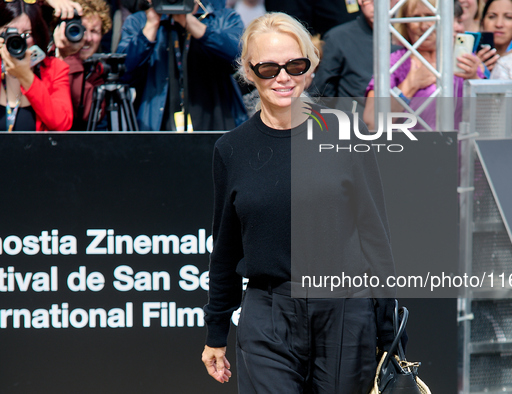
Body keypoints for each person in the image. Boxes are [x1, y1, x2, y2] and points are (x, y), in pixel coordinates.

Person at [202, 12, 396, 393]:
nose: (283, 77)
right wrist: (215, 332)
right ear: (248, 69)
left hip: (344, 310)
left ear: (312, 66)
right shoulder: (231, 150)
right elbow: (225, 249)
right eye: (268, 67)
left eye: (295, 64)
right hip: (267, 313)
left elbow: (375, 235)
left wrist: (390, 331)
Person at [116, 0, 247, 131]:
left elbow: (241, 60)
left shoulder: (223, 18)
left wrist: (194, 25)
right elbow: (122, 74)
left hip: (215, 124)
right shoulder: (139, 21)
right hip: (157, 128)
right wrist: (151, 25)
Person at [363, 0, 482, 130]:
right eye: (416, 17)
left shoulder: (464, 59)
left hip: (459, 148)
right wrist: (410, 86)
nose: (424, 26)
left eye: (430, 16)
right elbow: (371, 121)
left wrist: (474, 79)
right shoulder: (395, 62)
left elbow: (490, 114)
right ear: (405, 23)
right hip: (412, 148)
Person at [0, 0, 73, 132]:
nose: (18, 40)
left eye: (26, 34)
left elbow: (62, 124)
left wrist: (27, 77)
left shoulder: (55, 69)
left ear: (37, 36)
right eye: (9, 32)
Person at [311, 0, 398, 104]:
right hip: (351, 116)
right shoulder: (338, 37)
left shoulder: (410, 36)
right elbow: (322, 92)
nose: (376, 4)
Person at [53, 0, 112, 130]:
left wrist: (70, 57)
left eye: (95, 31)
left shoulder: (97, 72)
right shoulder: (47, 60)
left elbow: (89, 114)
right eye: (81, 30)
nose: (88, 38)